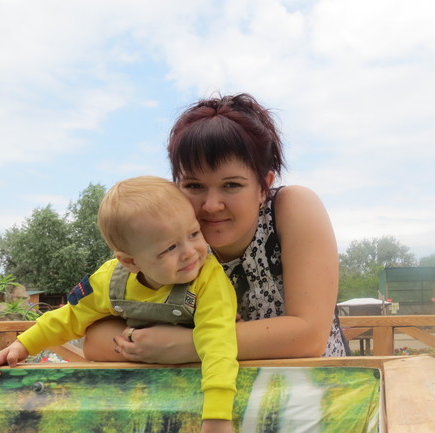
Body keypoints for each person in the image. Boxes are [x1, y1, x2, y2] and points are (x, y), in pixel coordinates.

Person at [84, 93, 349, 363]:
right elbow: (94, 340)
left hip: (320, 386)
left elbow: (309, 335)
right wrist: (143, 341)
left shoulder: (290, 208)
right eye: (194, 186)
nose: (211, 206)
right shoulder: (170, 241)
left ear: (264, 186)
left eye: (231, 185)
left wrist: (189, 344)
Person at [0, 176, 238, 433]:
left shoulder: (207, 279)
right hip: (140, 388)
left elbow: (219, 345)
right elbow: (69, 318)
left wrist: (217, 415)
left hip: (202, 382)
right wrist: (21, 346)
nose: (190, 252)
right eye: (169, 248)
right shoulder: (110, 281)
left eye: (194, 233)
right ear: (130, 262)